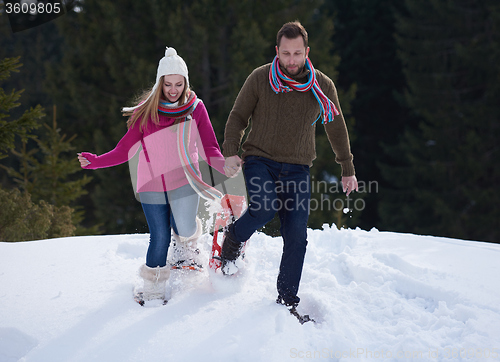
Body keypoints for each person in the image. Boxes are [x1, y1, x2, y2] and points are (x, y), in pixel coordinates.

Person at [220, 21, 359, 309]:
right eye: (286, 54)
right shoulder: (260, 78)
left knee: (297, 236)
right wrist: (231, 150)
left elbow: (336, 128)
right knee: (264, 208)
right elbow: (237, 117)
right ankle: (233, 238)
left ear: (306, 51)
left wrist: (347, 168)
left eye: (297, 54)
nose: (292, 61)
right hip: (260, 160)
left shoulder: (322, 86)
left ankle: (286, 300)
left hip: (297, 168)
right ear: (277, 51)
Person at [78, 47, 225, 302]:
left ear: (185, 83)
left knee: (184, 226)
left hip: (185, 179)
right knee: (159, 236)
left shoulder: (196, 109)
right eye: (168, 84)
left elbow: (210, 146)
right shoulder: (145, 112)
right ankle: (154, 289)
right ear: (160, 84)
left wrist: (226, 165)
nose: (173, 90)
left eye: (179, 84)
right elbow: (124, 149)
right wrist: (96, 162)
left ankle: (187, 246)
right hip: (152, 184)